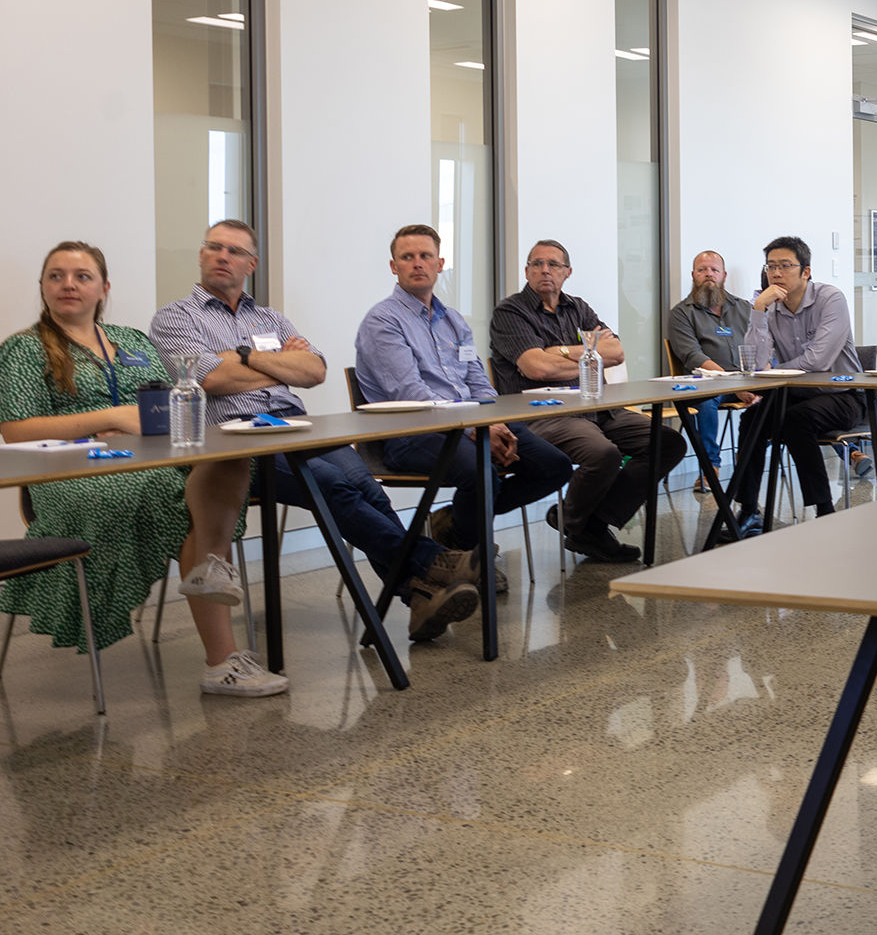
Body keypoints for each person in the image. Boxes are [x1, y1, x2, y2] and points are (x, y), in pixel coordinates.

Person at [151, 221, 483, 643]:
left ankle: (418, 594)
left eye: (234, 251)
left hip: (295, 426)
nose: (222, 257)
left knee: (366, 485)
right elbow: (207, 379)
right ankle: (431, 561)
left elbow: (314, 371)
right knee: (330, 484)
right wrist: (275, 369)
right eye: (214, 247)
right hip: (232, 444)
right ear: (201, 255)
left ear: (251, 264)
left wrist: (243, 359)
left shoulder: (269, 317)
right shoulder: (175, 318)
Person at [0, 242, 286, 696]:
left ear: (103, 288)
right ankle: (222, 659)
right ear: (42, 287)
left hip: (153, 459)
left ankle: (210, 578)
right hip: (70, 475)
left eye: (81, 276)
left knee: (231, 454)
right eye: (56, 276)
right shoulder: (24, 349)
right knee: (184, 505)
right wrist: (109, 419)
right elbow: (16, 430)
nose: (68, 285)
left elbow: (174, 398)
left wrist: (145, 428)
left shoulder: (131, 340)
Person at [355, 226, 571, 576]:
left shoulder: (453, 320)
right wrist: (476, 430)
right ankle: (472, 560)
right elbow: (411, 394)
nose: (417, 264)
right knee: (481, 471)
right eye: (407, 257)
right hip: (413, 432)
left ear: (440, 264)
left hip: (472, 425)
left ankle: (456, 529)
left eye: (425, 256)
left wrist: (493, 423)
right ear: (393, 267)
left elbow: (478, 383)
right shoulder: (383, 321)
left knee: (555, 466)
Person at [490, 239, 686, 564]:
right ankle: (580, 523)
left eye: (553, 264)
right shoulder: (510, 312)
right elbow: (535, 367)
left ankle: (586, 522)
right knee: (603, 454)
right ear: (526, 271)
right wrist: (587, 353)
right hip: (545, 415)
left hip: (599, 408)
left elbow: (616, 352)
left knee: (668, 442)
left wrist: (559, 352)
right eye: (537, 264)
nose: (545, 270)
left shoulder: (579, 308)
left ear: (567, 272)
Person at [733, 236, 864, 532]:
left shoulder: (831, 298)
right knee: (752, 418)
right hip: (795, 392)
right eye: (771, 267)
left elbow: (817, 361)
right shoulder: (769, 306)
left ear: (805, 271)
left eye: (785, 266)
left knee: (795, 420)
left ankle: (824, 509)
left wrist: (771, 373)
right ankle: (749, 509)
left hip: (842, 393)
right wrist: (758, 311)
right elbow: (756, 362)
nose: (776, 273)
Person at [664, 249, 756, 491]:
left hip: (748, 381)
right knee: (706, 402)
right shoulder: (681, 313)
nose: (709, 274)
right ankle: (710, 466)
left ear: (723, 275)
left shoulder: (745, 308)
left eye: (714, 270)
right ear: (693, 275)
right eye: (702, 269)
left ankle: (750, 453)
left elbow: (763, 345)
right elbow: (693, 355)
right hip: (707, 385)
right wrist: (734, 384)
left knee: (789, 396)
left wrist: (758, 382)